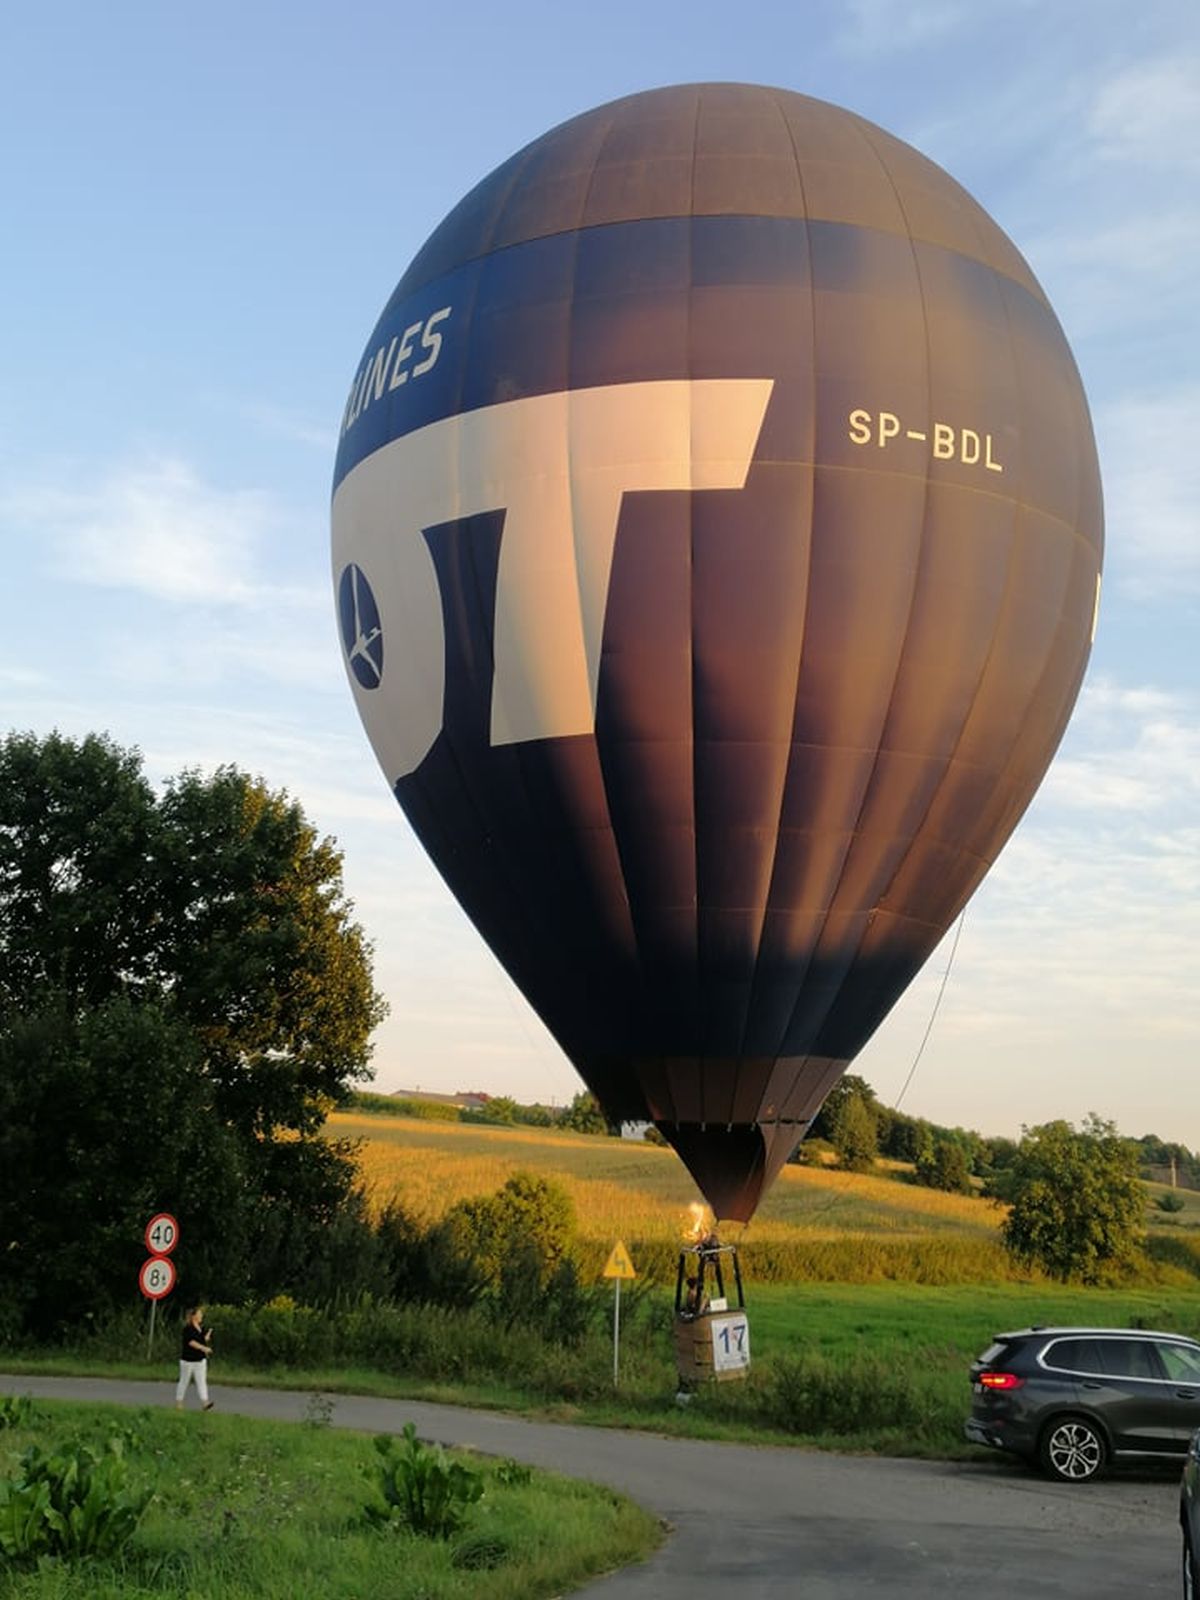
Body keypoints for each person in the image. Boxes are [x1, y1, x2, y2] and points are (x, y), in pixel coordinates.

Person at [175, 1304, 215, 1410]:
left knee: (201, 1381)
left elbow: (202, 1339)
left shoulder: (201, 1328)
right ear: (194, 1316)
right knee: (184, 1381)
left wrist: (207, 1336)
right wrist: (204, 1349)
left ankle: (205, 1403)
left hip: (200, 1360)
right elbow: (191, 1342)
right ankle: (179, 1403)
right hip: (188, 1361)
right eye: (199, 1314)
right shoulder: (188, 1329)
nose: (201, 1316)